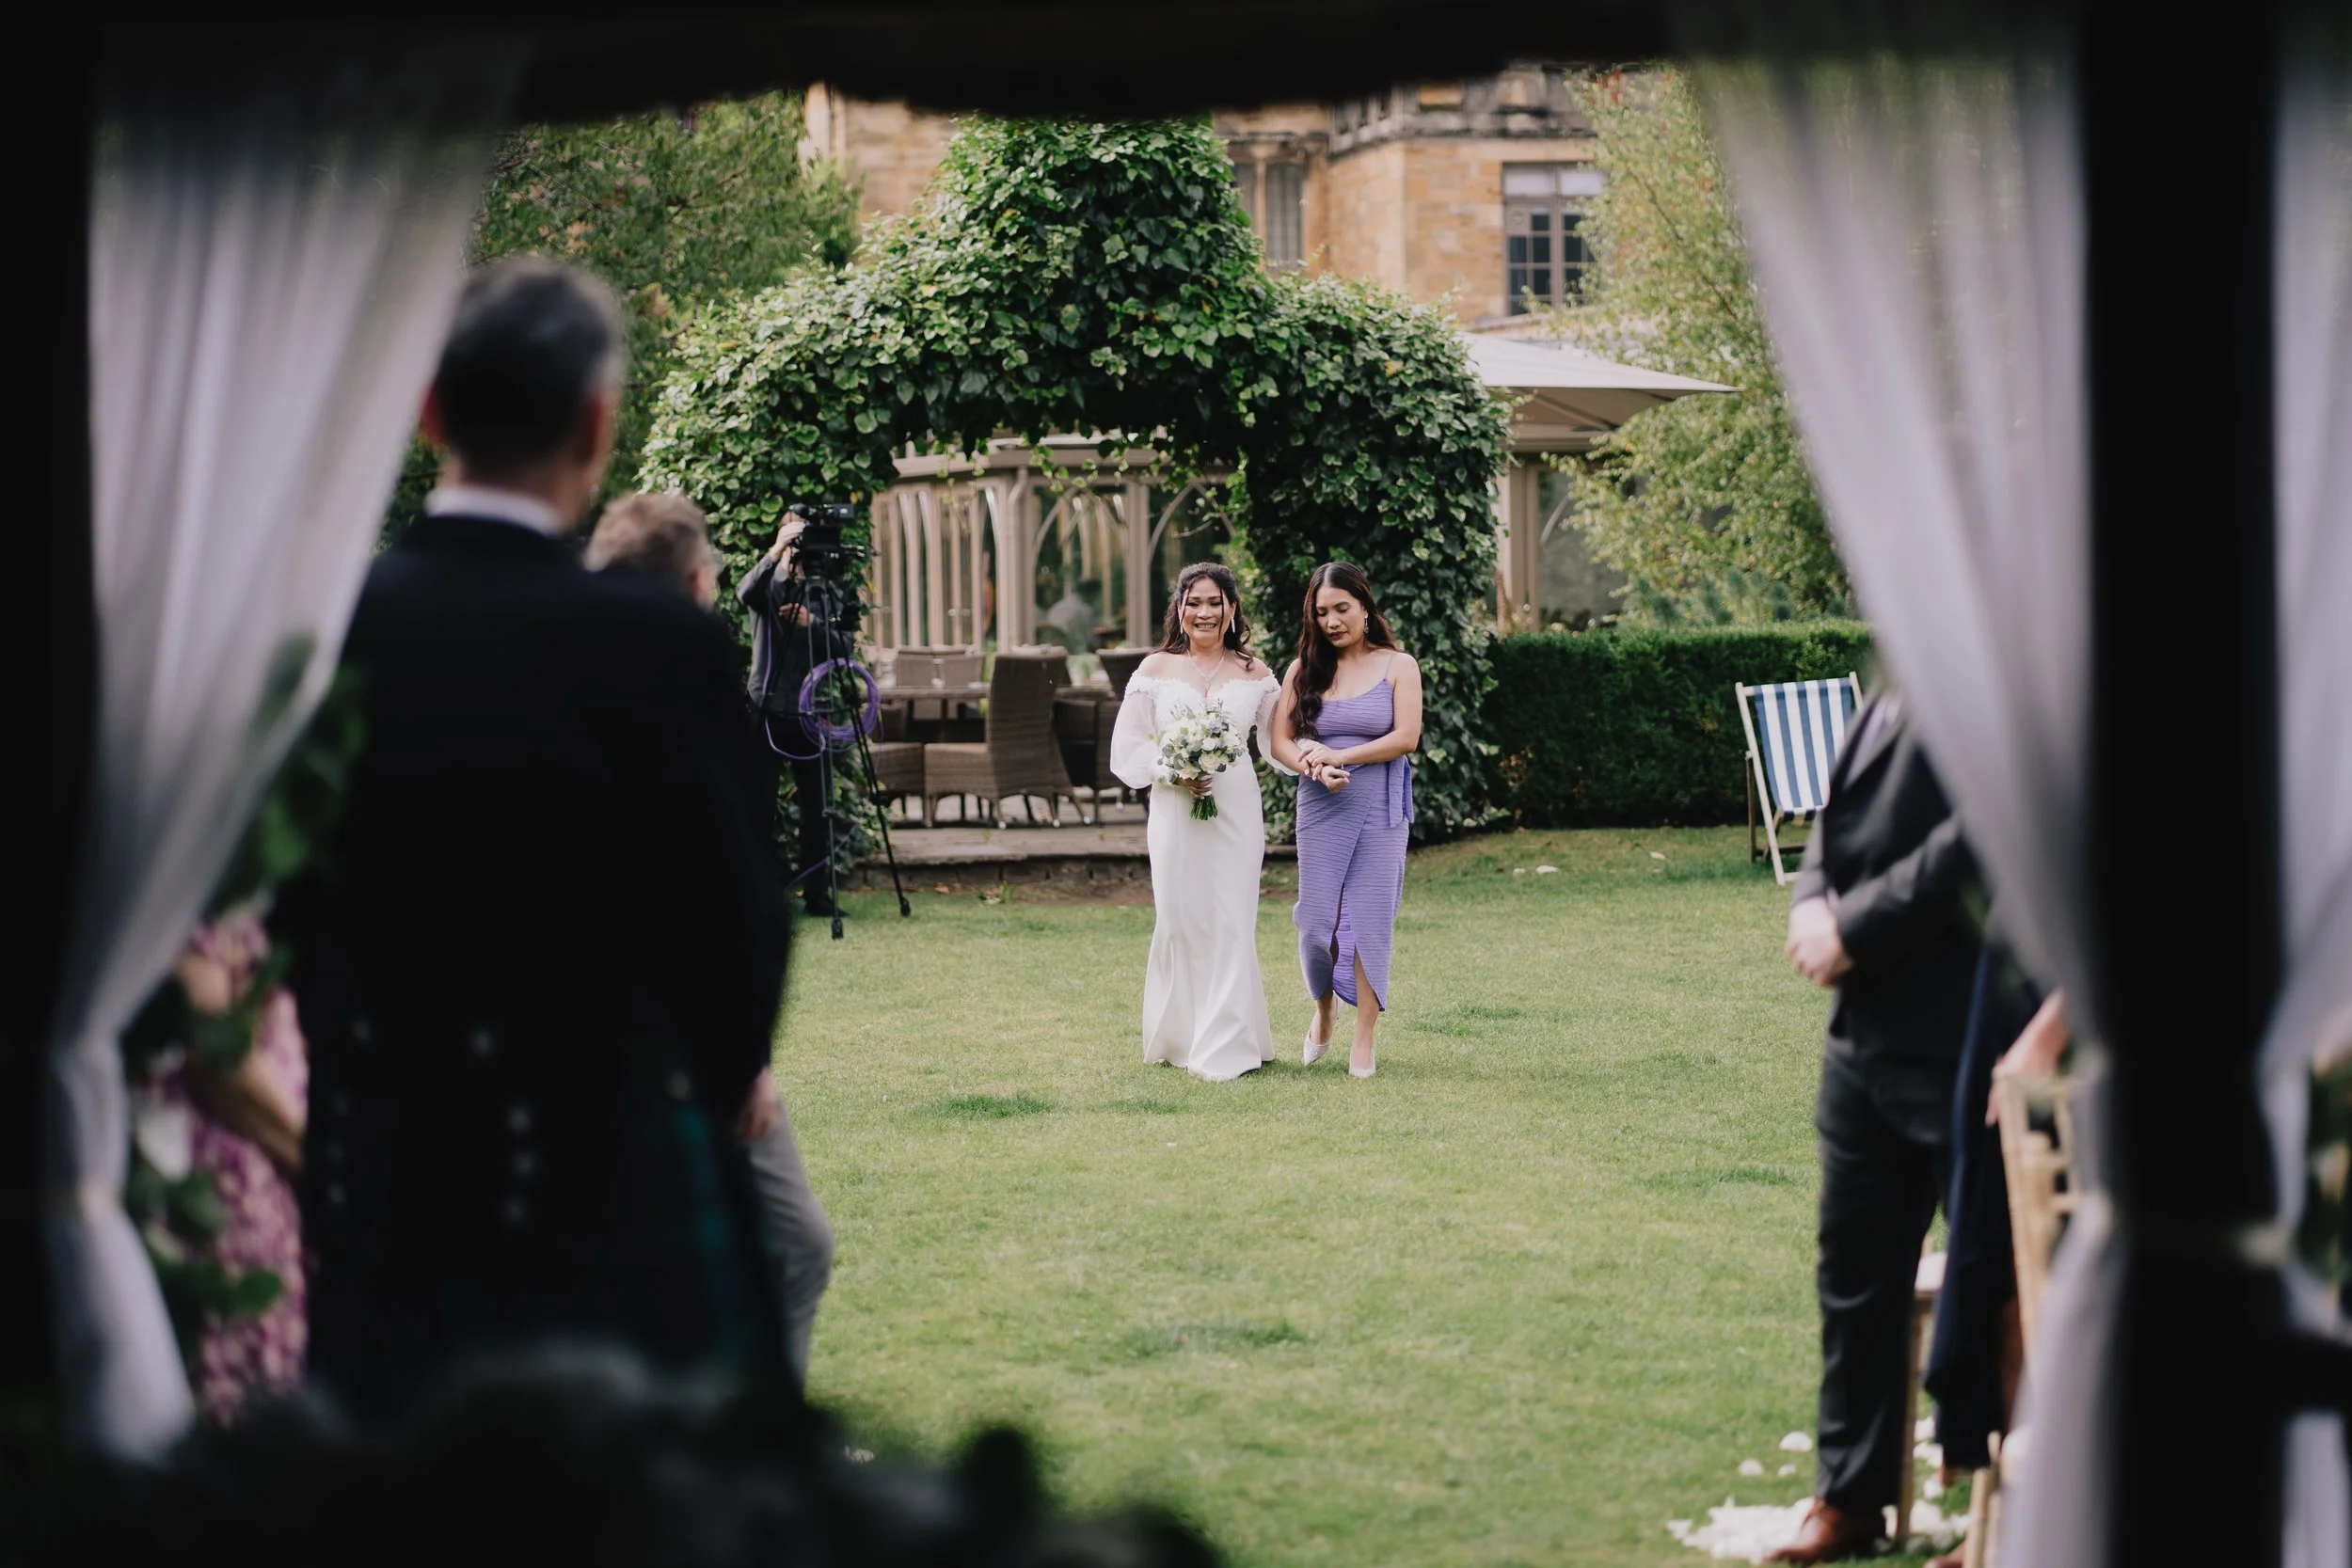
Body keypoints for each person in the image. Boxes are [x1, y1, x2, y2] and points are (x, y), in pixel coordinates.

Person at [281, 258, 791, 1421]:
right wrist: (713, 1078)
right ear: (597, 422)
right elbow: (739, 922)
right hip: (610, 1157)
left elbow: (288, 900)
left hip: (381, 1166)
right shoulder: (661, 644)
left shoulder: (330, 632)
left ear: (427, 413)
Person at [586, 488, 836, 1381]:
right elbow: (735, 891)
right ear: (698, 581)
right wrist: (740, 1058)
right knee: (794, 1244)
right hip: (673, 1038)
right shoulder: (693, 675)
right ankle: (761, 1435)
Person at [1770, 689, 1982, 1564]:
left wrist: (1854, 928)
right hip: (1865, 1039)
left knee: (1993, 1282)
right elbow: (1837, 815)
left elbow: (1982, 836)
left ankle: (2002, 1510)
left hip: (1969, 1028)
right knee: (1853, 1269)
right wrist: (1812, 901)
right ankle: (1849, 1496)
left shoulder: (1996, 669)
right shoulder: (1894, 676)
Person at [1107, 562, 1281, 1081]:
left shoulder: (1256, 673)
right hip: (1175, 808)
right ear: (1179, 609)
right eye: (1193, 602)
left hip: (1236, 807)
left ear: (1232, 609)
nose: (1204, 612)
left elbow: (1279, 744)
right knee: (1181, 920)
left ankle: (1228, 1044)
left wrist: (1320, 759)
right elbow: (1127, 748)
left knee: (1231, 918)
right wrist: (1171, 768)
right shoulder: (1156, 668)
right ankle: (1181, 1036)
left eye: (1214, 602)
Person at [1267, 562, 1422, 1081]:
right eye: (1322, 612)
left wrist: (1341, 755)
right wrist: (1312, 763)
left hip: (1379, 808)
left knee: (1370, 923)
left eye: (1342, 609)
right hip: (1321, 808)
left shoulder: (1399, 666)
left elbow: (1406, 738)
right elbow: (1280, 742)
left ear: (1364, 607)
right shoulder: (1303, 670)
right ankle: (1325, 1008)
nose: (1332, 621)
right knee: (1316, 927)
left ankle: (1365, 1035)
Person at [738, 513, 855, 919]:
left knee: (817, 807)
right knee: (759, 806)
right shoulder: (767, 585)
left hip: (809, 711)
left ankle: (818, 894)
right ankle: (755, 893)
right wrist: (774, 551)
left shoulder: (823, 592)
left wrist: (813, 624)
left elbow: (845, 647)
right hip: (766, 706)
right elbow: (742, 593)